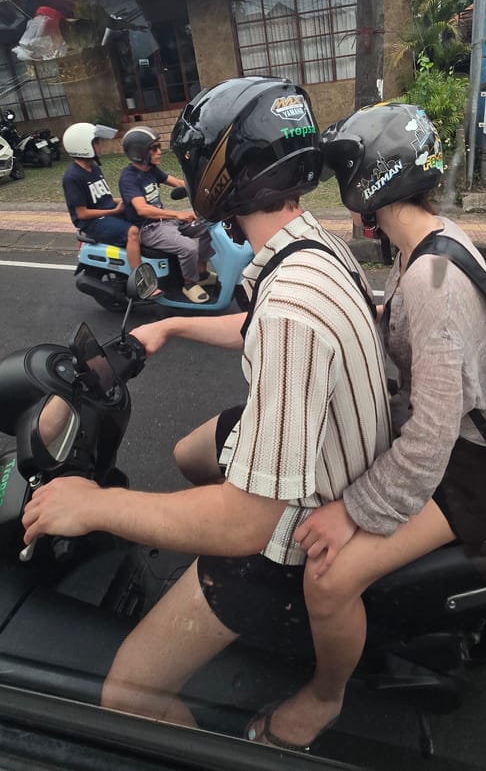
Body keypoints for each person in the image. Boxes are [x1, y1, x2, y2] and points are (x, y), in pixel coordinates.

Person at [22, 76, 392, 733]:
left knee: (125, 693)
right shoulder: (313, 247)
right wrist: (172, 325)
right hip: (335, 448)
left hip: (299, 520)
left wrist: (92, 503)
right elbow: (257, 324)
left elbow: (252, 520)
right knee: (190, 450)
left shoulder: (291, 307)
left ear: (223, 172)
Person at [245, 101, 486, 751]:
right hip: (457, 442)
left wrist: (354, 512)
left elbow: (428, 438)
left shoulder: (431, 278)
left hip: (471, 469)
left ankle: (322, 697)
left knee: (329, 574)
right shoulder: (430, 241)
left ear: (367, 182)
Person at [118, 126, 217, 304]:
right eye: (154, 148)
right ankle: (189, 283)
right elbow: (142, 209)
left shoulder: (151, 170)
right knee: (188, 247)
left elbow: (178, 183)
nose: (159, 152)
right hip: (149, 228)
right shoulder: (129, 177)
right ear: (139, 153)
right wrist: (177, 214)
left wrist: (201, 186)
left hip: (167, 222)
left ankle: (200, 272)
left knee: (209, 227)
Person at [62, 122, 142, 271]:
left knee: (142, 216)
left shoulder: (94, 167)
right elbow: (82, 213)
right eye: (96, 142)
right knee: (132, 231)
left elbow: (105, 199)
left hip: (106, 214)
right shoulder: (72, 177)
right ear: (83, 146)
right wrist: (113, 211)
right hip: (91, 222)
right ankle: (139, 277)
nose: (100, 146)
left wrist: (132, 199)